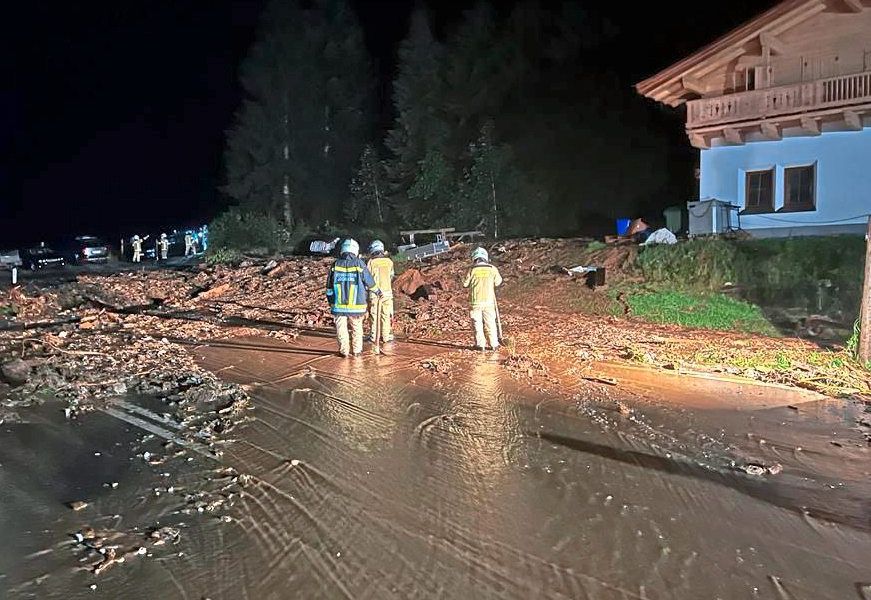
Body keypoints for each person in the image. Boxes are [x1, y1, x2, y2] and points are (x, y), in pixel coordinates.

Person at [326, 238, 381, 357]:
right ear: (355, 250)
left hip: (339, 305)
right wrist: (378, 292)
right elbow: (369, 281)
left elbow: (329, 287)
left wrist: (330, 301)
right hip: (357, 306)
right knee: (357, 328)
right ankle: (356, 351)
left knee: (341, 329)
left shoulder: (335, 265)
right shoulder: (359, 264)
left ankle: (344, 351)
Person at [463, 247, 503, 351]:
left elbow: (465, 284)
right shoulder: (492, 269)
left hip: (475, 302)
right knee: (490, 323)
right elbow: (498, 282)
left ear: (474, 258)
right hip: (489, 301)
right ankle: (494, 344)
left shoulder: (472, 270)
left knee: (477, 324)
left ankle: (480, 345)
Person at [366, 240, 395, 344]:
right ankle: (386, 336)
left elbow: (367, 278)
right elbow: (391, 276)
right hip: (387, 292)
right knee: (386, 315)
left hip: (374, 293)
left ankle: (373, 337)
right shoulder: (389, 262)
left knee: (374, 315)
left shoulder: (371, 262)